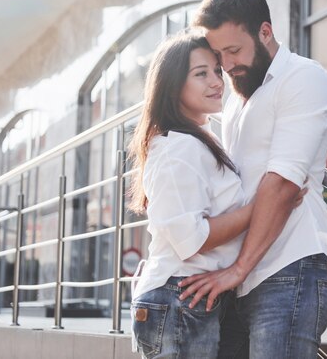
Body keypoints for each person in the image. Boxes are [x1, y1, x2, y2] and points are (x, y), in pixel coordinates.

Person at [179, 0, 327, 358]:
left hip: (292, 266)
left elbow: (283, 185)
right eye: (218, 55)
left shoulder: (304, 79)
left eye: (234, 50)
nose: (227, 64)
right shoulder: (236, 98)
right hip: (242, 276)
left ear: (265, 32)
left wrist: (237, 270)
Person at [127, 32, 304, 359]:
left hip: (192, 296)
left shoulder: (201, 140)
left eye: (216, 71)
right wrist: (262, 208)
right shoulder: (176, 148)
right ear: (172, 85)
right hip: (178, 296)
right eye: (200, 74)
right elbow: (191, 239)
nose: (216, 82)